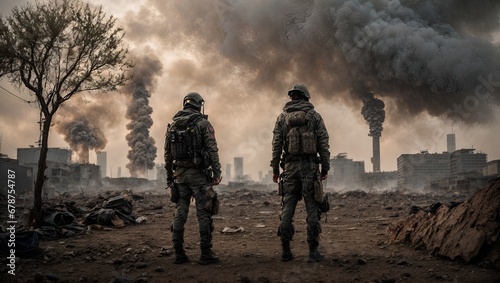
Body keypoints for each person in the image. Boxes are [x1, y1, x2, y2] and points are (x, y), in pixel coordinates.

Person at [270, 83, 331, 262]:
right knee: (312, 208)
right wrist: (325, 168)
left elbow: (276, 146)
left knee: (287, 208)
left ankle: (286, 252)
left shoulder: (282, 118)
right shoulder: (315, 117)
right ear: (306, 97)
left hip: (289, 170)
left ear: (292, 97)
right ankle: (313, 252)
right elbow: (324, 144)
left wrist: (275, 169)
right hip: (310, 169)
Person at [164, 92, 222, 265]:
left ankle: (179, 253)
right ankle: (205, 254)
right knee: (204, 213)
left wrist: (169, 177)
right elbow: (212, 150)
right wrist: (217, 173)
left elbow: (167, 155)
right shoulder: (203, 123)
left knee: (180, 211)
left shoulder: (173, 125)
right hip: (199, 176)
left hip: (180, 175)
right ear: (199, 105)